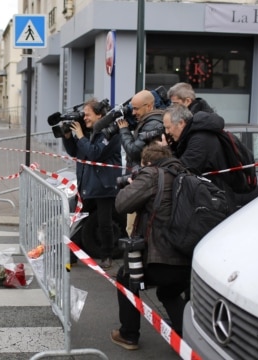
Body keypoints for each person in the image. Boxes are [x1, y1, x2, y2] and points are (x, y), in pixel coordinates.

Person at [111, 143, 191, 351]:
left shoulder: (151, 174)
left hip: (161, 255)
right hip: (187, 253)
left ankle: (128, 335)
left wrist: (131, 184)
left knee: (125, 277)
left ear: (147, 163)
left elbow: (122, 204)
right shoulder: (183, 172)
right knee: (169, 292)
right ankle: (186, 340)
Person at [62, 98, 122, 269]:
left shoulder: (110, 133)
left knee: (104, 223)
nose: (85, 118)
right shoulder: (88, 132)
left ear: (99, 115)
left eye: (88, 115)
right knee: (76, 221)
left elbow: (94, 153)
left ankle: (107, 256)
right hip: (86, 183)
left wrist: (80, 135)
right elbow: (75, 151)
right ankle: (71, 255)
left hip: (104, 186)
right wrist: (68, 137)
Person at [161, 103, 237, 210]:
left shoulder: (200, 139)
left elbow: (183, 169)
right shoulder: (191, 136)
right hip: (209, 198)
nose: (167, 132)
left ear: (181, 123)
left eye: (168, 127)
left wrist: (166, 151)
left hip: (216, 203)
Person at [116, 89, 166, 238]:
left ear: (149, 106)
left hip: (145, 181)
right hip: (144, 179)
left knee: (133, 229)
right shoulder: (147, 122)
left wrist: (124, 130)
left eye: (136, 108)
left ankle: (135, 260)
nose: (133, 112)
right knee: (133, 227)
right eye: (132, 108)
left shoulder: (152, 124)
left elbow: (133, 151)